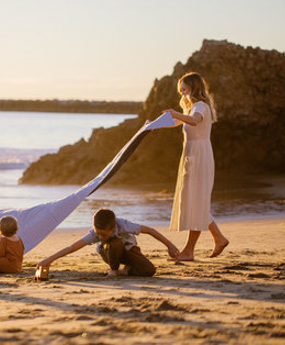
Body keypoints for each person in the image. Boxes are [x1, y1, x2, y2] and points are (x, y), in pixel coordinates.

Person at [163, 72, 229, 261]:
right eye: (180, 90)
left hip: (200, 155)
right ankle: (219, 238)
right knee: (194, 200)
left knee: (196, 201)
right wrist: (154, 125)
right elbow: (179, 121)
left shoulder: (201, 106)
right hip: (191, 154)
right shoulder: (192, 107)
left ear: (194, 88)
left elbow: (194, 120)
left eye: (184, 90)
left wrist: (176, 113)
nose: (182, 94)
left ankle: (189, 251)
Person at [37, 208, 179, 277]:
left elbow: (150, 230)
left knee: (149, 270)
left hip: (128, 251)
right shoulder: (96, 234)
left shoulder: (123, 225)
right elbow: (72, 247)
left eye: (104, 234)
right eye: (97, 233)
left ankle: (126, 270)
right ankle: (114, 270)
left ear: (114, 228)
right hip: (110, 253)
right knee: (115, 242)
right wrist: (49, 260)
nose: (100, 236)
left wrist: (170, 245)